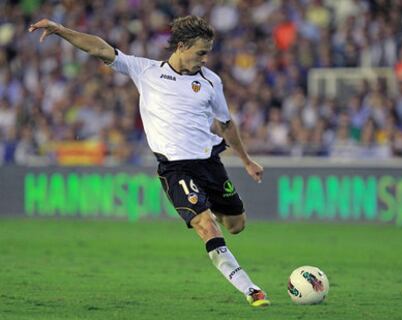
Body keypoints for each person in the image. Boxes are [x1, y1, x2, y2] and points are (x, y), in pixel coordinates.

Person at [28, 15, 270, 307]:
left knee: (236, 225)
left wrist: (245, 160)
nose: (205, 59)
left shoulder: (210, 82)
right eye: (201, 52)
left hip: (209, 164)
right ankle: (251, 289)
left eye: (207, 53)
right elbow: (100, 49)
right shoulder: (146, 71)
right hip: (174, 168)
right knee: (206, 226)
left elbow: (226, 124)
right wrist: (61, 30)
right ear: (181, 46)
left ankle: (208, 207)